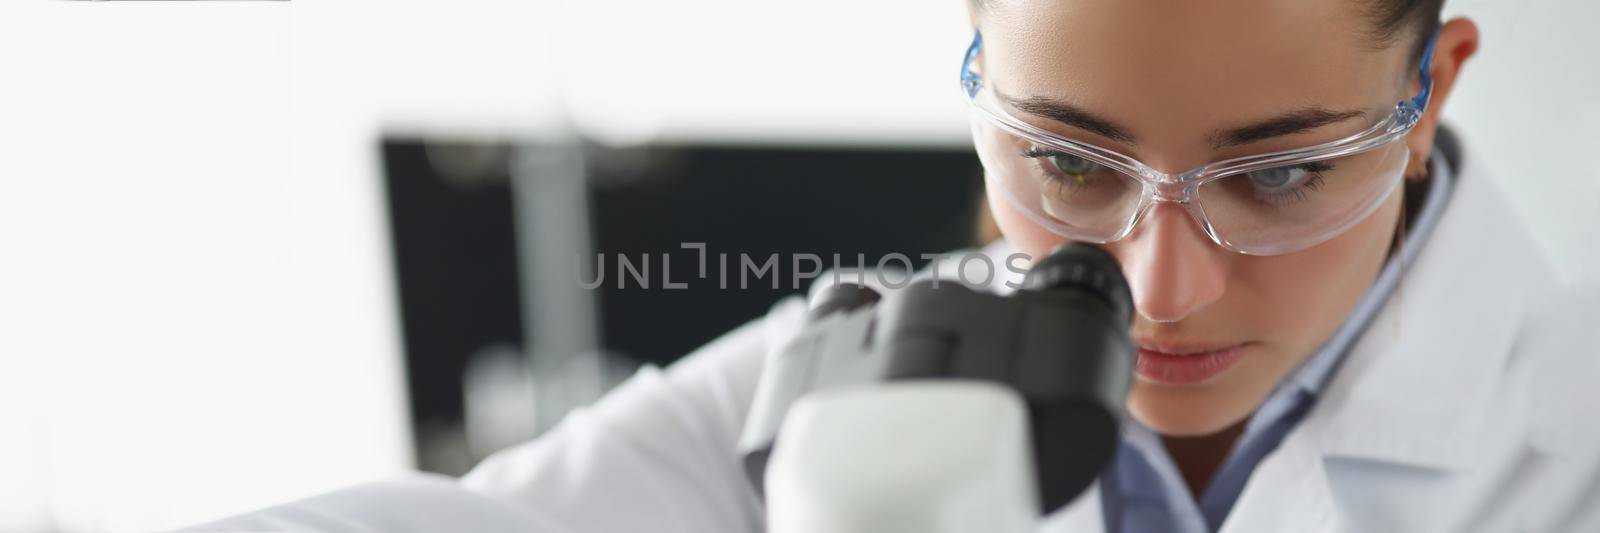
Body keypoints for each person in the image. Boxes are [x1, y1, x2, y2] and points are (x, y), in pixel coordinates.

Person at [197, 1, 1599, 531]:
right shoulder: (848, 379)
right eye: (1068, 162)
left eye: (1280, 173)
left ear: (1427, 101)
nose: (1161, 285)